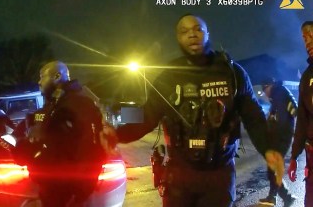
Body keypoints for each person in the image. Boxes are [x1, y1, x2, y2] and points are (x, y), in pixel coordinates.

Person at [105, 14, 284, 207]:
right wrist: (116, 134)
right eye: (184, 31)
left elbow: (253, 117)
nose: (192, 35)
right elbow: (148, 115)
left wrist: (269, 149)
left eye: (198, 29)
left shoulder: (232, 72)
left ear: (207, 33)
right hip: (179, 176)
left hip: (219, 175)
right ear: (178, 37)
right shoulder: (169, 76)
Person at [12, 61, 106, 207]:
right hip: (59, 191)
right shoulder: (59, 104)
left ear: (57, 76)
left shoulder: (74, 105)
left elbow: (89, 150)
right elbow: (56, 145)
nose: (39, 81)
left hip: (67, 195)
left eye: (42, 76)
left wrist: (80, 191)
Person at [258, 78, 297, 206]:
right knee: (272, 169)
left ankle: (286, 197)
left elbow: (282, 120)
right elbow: (275, 115)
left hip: (282, 137)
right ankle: (274, 196)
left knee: (272, 170)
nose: (265, 93)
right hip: (281, 136)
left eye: (265, 90)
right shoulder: (278, 93)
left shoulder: (279, 93)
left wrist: (272, 131)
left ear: (270, 86)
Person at [288, 21, 313, 207]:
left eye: (312, 35)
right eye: (305, 38)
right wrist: (294, 156)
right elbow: (302, 121)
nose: (308, 42)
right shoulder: (306, 78)